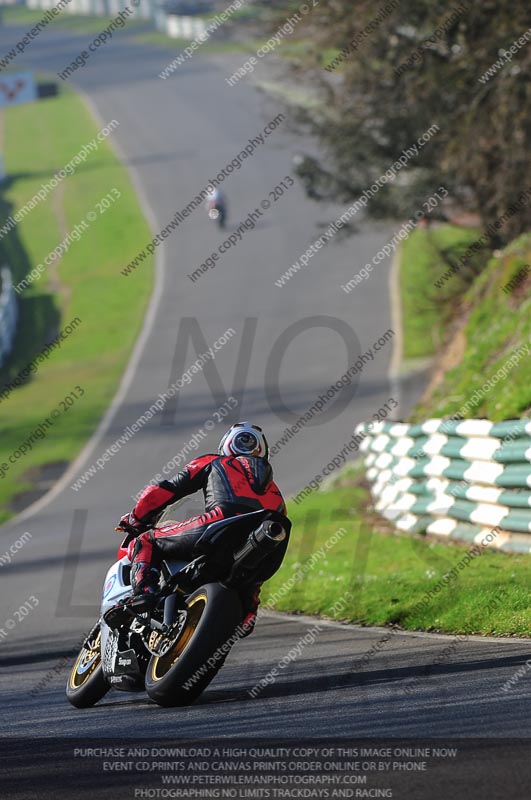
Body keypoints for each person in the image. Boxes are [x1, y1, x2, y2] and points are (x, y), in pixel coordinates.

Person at [116, 422, 287, 636]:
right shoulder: (277, 495)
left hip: (217, 525)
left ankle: (146, 592)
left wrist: (135, 518)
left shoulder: (214, 461)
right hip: (266, 548)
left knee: (146, 540)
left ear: (226, 445)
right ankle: (248, 611)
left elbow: (164, 490)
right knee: (255, 569)